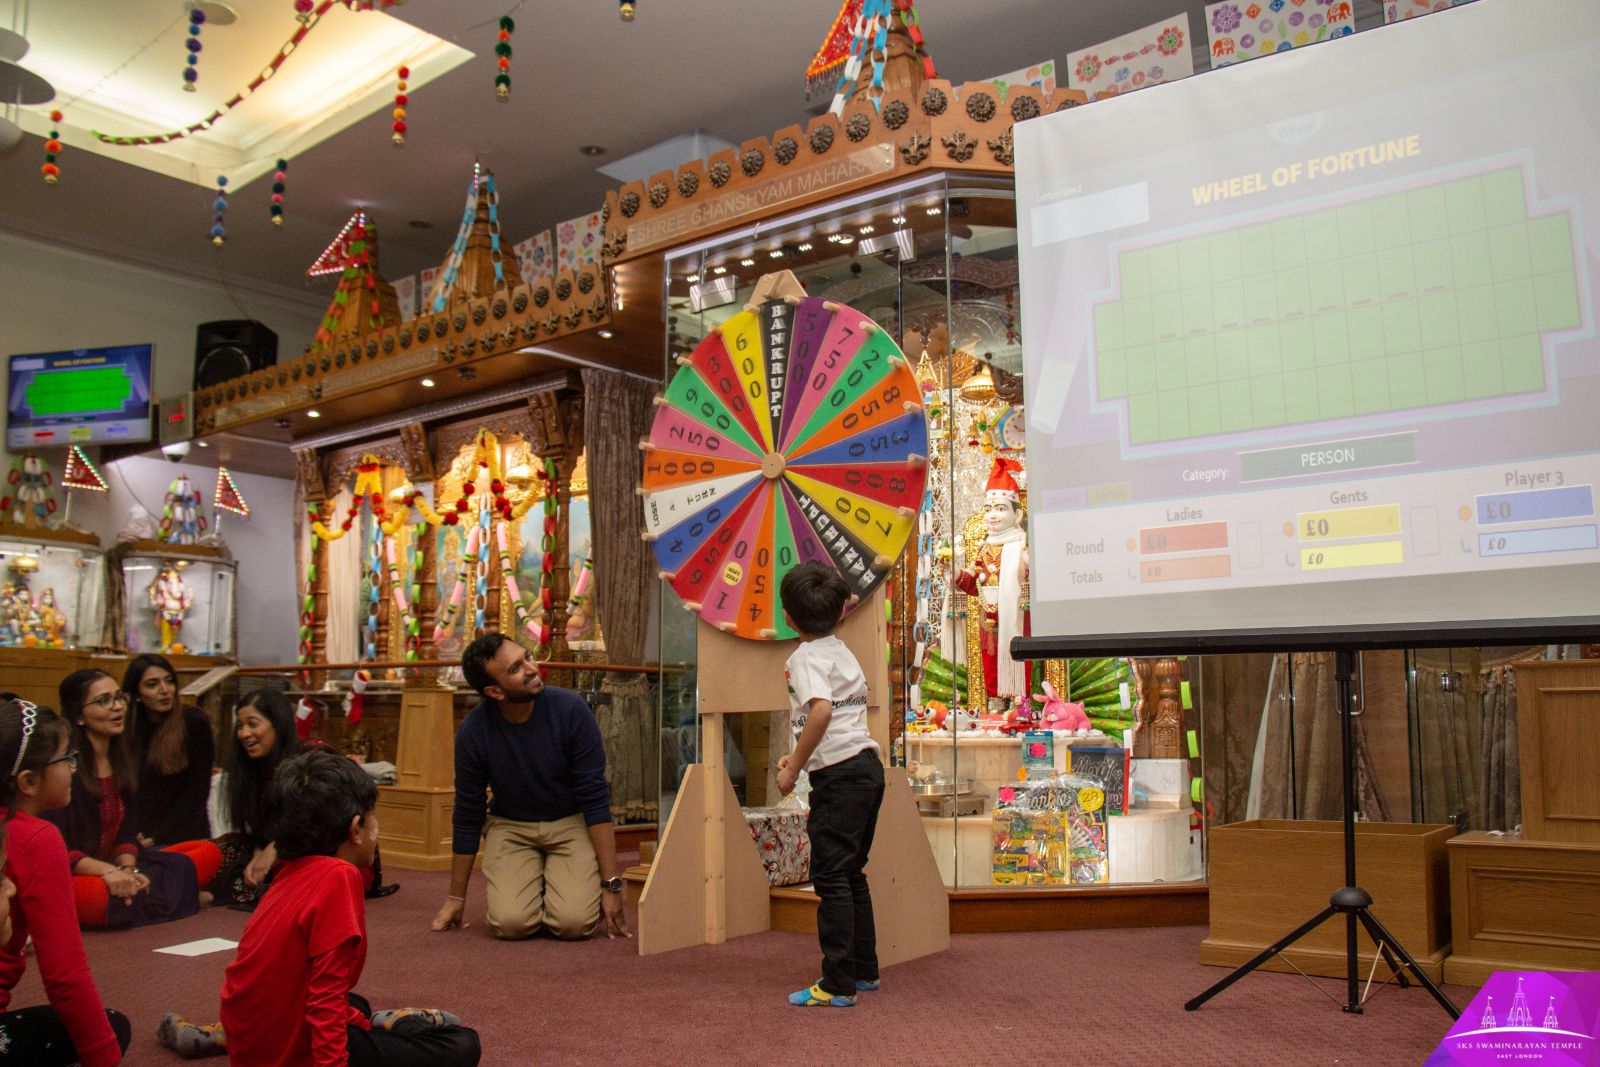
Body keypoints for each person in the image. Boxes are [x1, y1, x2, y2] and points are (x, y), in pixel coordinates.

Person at [163, 750, 481, 1065]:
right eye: (373, 815)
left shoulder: (288, 872)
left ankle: (224, 1036)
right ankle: (399, 1024)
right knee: (462, 1045)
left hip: (250, 1039)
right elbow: (325, 1001)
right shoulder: (338, 878)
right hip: (299, 1050)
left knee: (354, 1002)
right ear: (356, 828)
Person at [430, 634, 628, 941]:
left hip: (569, 823)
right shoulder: (473, 732)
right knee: (511, 924)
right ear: (494, 691)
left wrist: (611, 884)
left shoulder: (572, 710)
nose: (532, 668)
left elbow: (595, 797)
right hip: (510, 827)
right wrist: (456, 899)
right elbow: (468, 812)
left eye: (528, 657)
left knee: (573, 924)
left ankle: (559, 879)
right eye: (515, 669)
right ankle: (538, 877)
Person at [775, 562, 885, 1008]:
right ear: (841, 615)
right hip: (864, 769)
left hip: (838, 777)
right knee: (850, 873)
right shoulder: (842, 651)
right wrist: (801, 753)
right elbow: (834, 717)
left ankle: (837, 983)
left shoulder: (804, 658)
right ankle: (864, 971)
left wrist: (792, 769)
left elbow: (819, 711)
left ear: (788, 616)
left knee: (830, 878)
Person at [0, 697, 132, 1065]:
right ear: (28, 781)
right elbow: (64, 975)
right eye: (67, 759)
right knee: (111, 1029)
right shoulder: (35, 837)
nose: (75, 768)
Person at [49, 669, 220, 928]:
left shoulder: (123, 760)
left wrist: (128, 870)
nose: (118, 707)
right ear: (78, 716)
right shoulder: (65, 767)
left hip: (114, 867)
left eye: (119, 698)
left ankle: (140, 899)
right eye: (104, 701)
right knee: (99, 897)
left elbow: (127, 836)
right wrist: (109, 872)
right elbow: (58, 849)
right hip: (76, 873)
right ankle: (162, 899)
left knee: (205, 853)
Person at [211, 691, 395, 909]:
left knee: (285, 881)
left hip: (328, 848)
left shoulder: (312, 756)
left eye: (252, 724)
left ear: (277, 724)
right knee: (227, 850)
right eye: (240, 726)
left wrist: (277, 847)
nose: (244, 733)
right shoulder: (248, 767)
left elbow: (327, 825)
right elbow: (258, 827)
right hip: (279, 844)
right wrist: (259, 848)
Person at [953, 456, 1031, 711]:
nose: (993, 516)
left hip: (1018, 616)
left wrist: (1029, 567)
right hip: (989, 617)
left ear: (1017, 514)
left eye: (1000, 508)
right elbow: (976, 586)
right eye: (988, 509)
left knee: (1020, 654)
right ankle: (995, 698)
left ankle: (1020, 700)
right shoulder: (984, 548)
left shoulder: (1022, 545)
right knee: (991, 658)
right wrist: (955, 575)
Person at [124, 654, 215, 847]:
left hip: (185, 834)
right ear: (136, 693)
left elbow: (197, 792)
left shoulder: (193, 722)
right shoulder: (127, 728)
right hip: (137, 837)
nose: (165, 690)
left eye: (169, 681)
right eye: (152, 684)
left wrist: (157, 838)